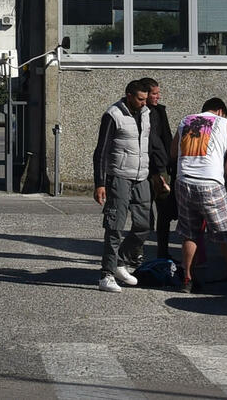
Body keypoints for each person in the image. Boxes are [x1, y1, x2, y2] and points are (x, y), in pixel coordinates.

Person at [170, 97, 227, 293]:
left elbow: (173, 153)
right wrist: (221, 178)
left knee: (190, 233)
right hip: (210, 183)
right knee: (225, 232)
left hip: (184, 181)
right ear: (221, 111)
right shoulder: (226, 124)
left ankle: (187, 279)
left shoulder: (185, 121)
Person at [93, 80, 151, 293]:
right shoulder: (113, 115)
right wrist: (100, 183)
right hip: (119, 177)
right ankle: (106, 275)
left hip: (141, 176)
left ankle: (120, 262)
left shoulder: (146, 114)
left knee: (145, 224)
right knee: (115, 226)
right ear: (129, 96)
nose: (145, 103)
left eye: (146, 99)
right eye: (140, 99)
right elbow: (100, 151)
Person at [139, 77, 176, 261]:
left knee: (165, 212)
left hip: (162, 167)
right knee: (145, 213)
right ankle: (138, 251)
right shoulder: (141, 113)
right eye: (154, 93)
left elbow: (165, 138)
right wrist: (157, 171)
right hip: (150, 169)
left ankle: (162, 251)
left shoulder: (159, 112)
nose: (158, 96)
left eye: (158, 93)